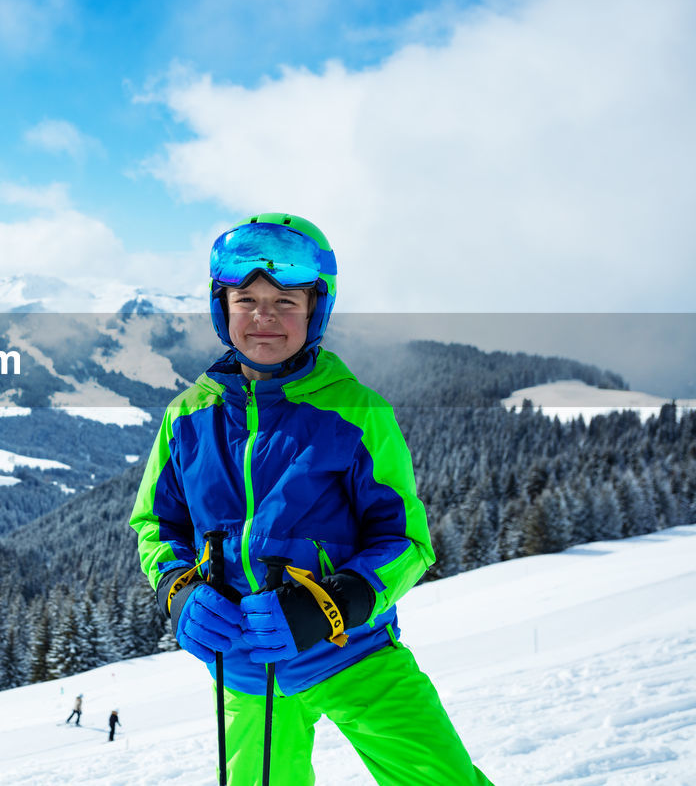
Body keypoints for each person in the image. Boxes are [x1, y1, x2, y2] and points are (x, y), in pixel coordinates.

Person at [130, 214, 492, 785]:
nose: (264, 317)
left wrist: (330, 606)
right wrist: (180, 591)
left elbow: (406, 542)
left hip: (356, 652)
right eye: (245, 298)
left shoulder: (357, 413)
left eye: (286, 301)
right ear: (221, 309)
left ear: (315, 310)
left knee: (440, 777)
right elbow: (157, 525)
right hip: (247, 667)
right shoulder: (187, 417)